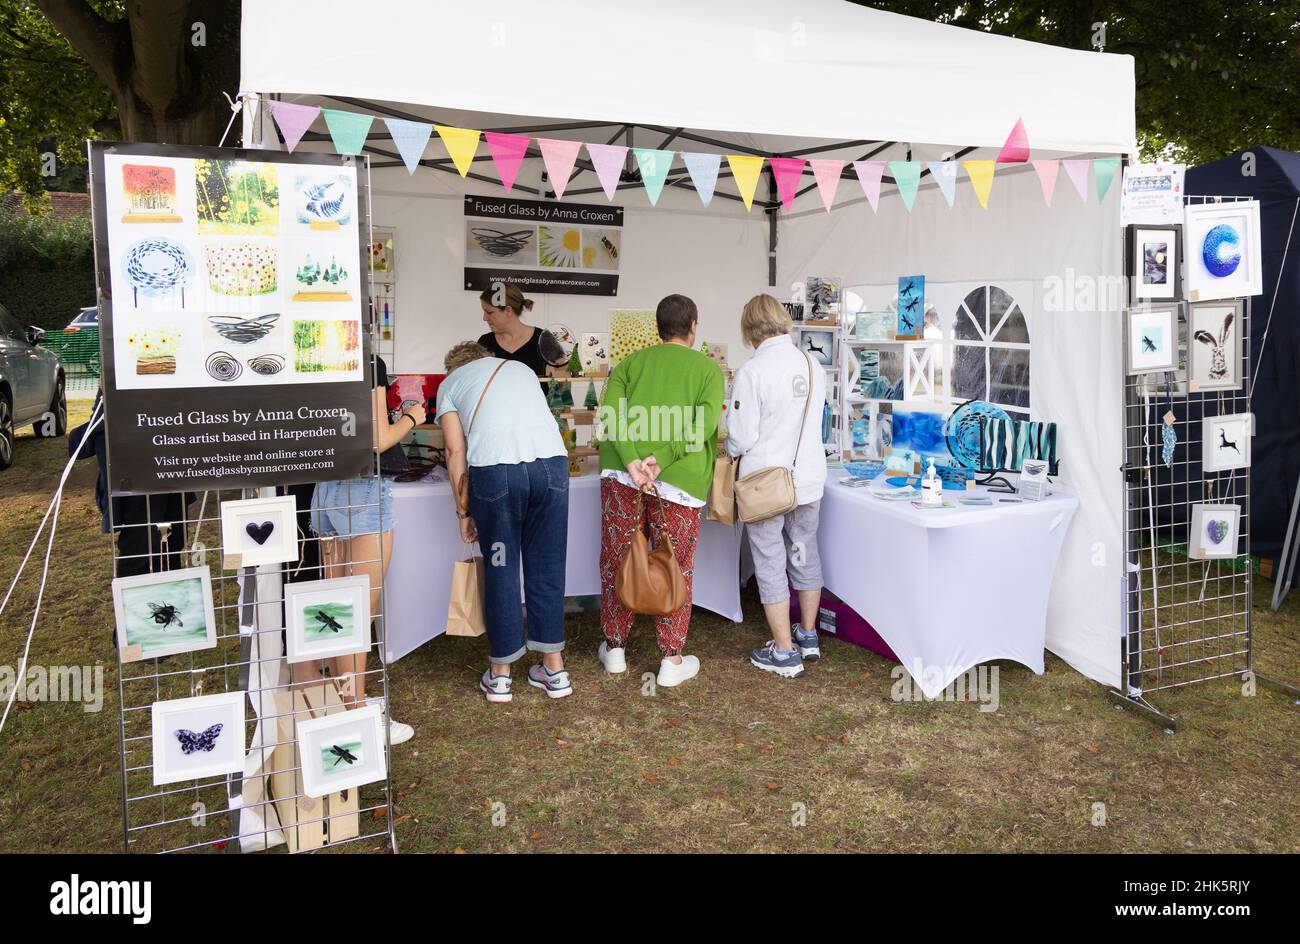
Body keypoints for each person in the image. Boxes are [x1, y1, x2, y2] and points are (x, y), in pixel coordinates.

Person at [596, 294, 724, 687]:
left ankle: (615, 647)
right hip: (680, 479)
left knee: (620, 555)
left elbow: (611, 416)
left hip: (623, 475)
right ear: (693, 327)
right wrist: (660, 459)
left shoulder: (629, 365)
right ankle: (671, 659)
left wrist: (635, 460)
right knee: (675, 563)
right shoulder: (708, 370)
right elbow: (700, 429)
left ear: (657, 327)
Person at [436, 341, 571, 703]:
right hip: (552, 468)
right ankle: (554, 668)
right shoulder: (521, 369)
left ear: (453, 367)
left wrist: (463, 511)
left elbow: (454, 450)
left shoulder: (450, 385)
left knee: (501, 566)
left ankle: (500, 676)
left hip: (497, 475)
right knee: (547, 565)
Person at [303, 356, 424, 743]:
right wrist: (412, 418)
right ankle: (354, 711)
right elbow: (377, 440)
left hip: (325, 485)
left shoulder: (311, 359)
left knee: (337, 606)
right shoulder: (367, 361)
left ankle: (344, 700)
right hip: (365, 488)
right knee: (356, 610)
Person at [725, 294, 828, 678]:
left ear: (750, 329)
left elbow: (741, 437)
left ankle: (784, 653)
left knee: (770, 560)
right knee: (803, 551)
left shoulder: (753, 371)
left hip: (766, 482)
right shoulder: (812, 362)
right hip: (809, 478)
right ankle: (808, 634)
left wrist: (731, 447)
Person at [477, 284, 553, 377]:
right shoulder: (485, 342)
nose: (484, 318)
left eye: (489, 312)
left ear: (508, 310)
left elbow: (563, 381)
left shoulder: (543, 339)